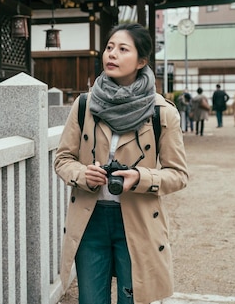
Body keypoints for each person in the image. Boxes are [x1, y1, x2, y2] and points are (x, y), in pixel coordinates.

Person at [54, 23, 188, 304]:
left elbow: (178, 175)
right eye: (109, 47)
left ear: (141, 61)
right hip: (90, 220)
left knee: (133, 299)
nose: (112, 54)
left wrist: (140, 178)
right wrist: (83, 173)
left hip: (137, 220)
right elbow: (63, 159)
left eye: (122, 49)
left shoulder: (162, 112)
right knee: (91, 300)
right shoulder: (84, 106)